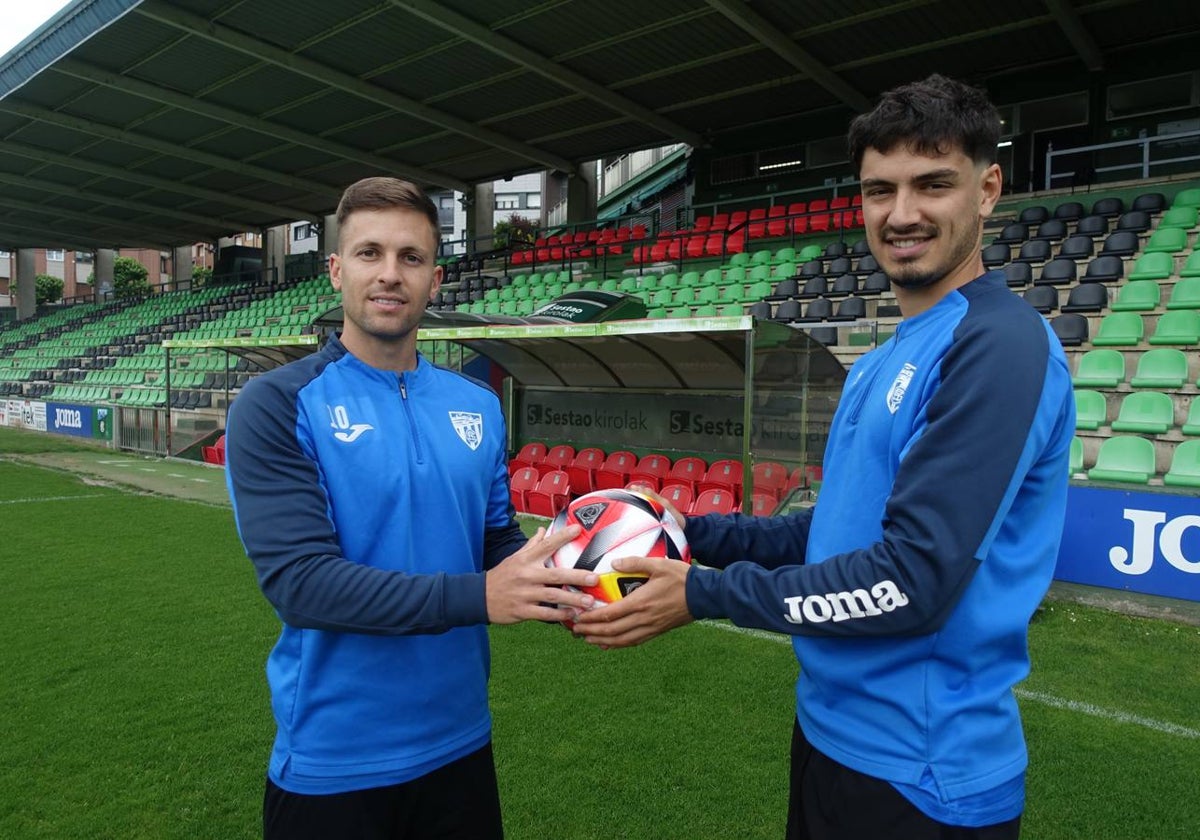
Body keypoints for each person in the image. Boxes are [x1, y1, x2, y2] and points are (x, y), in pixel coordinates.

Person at [573, 74, 1075, 840]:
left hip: (923, 775)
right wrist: (689, 531)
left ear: (988, 188)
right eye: (880, 190)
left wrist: (703, 595)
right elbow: (833, 536)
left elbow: (911, 582)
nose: (902, 214)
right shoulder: (881, 359)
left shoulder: (999, 345)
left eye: (932, 184)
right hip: (829, 739)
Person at [225, 176, 597, 840]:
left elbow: (493, 540)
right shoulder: (277, 404)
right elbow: (302, 585)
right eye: (369, 254)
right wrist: (482, 596)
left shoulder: (477, 405)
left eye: (411, 258)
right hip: (335, 762)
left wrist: (565, 574)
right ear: (336, 270)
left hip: (460, 745)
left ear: (436, 279)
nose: (389, 274)